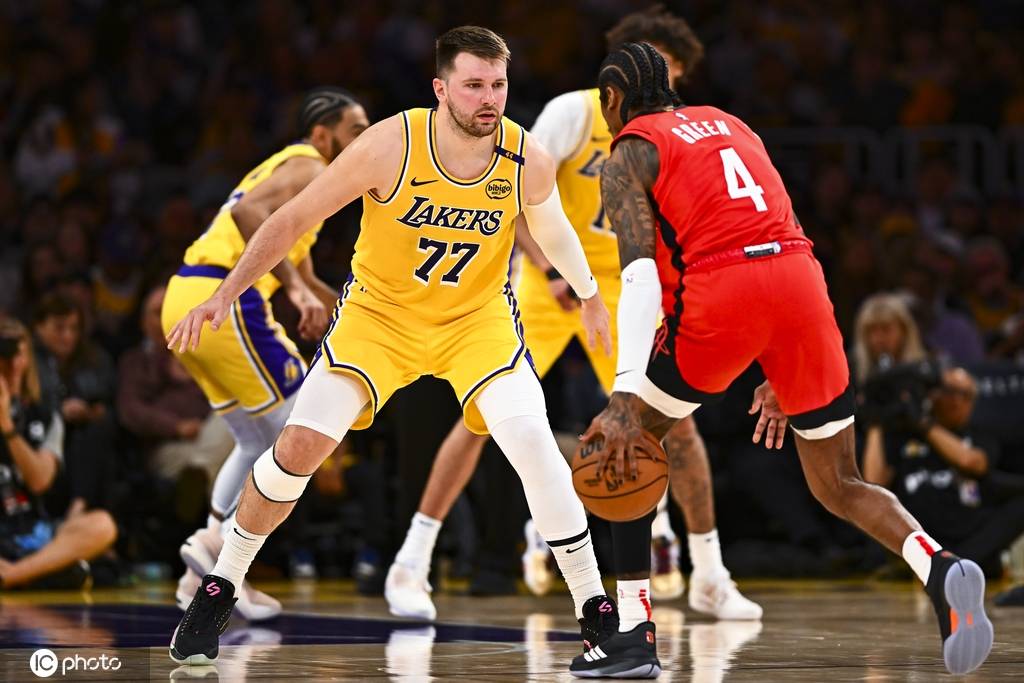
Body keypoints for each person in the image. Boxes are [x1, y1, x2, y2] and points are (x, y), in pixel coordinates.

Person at [167, 27, 632, 676]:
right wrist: (227, 293)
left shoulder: (525, 155)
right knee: (298, 448)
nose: (488, 99)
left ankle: (596, 614)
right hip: (379, 319)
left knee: (532, 443)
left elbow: (552, 228)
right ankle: (220, 587)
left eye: (498, 85)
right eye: (473, 85)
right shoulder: (390, 143)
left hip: (476, 322)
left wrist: (588, 294)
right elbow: (292, 218)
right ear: (441, 89)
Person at [575, 42, 993, 676]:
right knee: (840, 482)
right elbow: (777, 224)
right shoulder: (734, 126)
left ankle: (632, 636)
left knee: (631, 447)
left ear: (612, 100)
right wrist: (778, 357)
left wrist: (625, 397)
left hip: (720, 288)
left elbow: (638, 279)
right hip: (799, 282)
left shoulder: (629, 152)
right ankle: (939, 566)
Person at [385, 6, 760, 628]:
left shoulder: (670, 129)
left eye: (674, 70)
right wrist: (552, 269)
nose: (666, 80)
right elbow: (511, 190)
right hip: (547, 282)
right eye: (659, 65)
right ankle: (411, 560)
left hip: (623, 283)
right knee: (479, 418)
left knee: (677, 423)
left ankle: (709, 575)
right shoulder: (574, 113)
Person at [160, 86, 370, 620]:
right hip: (224, 298)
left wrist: (341, 304)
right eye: (355, 130)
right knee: (302, 424)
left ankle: (201, 575)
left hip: (187, 295)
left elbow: (301, 268)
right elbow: (248, 212)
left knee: (255, 439)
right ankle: (218, 552)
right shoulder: (308, 164)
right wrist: (295, 291)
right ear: (322, 135)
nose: (365, 139)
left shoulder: (303, 179)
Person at [863, 367, 1024, 578]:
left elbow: (971, 462)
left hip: (970, 534)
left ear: (973, 403)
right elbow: (873, 483)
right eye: (949, 391)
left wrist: (925, 424)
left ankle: (955, 565)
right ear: (933, 394)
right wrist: (875, 424)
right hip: (923, 535)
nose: (956, 400)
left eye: (965, 395)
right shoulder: (904, 435)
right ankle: (947, 566)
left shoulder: (980, 436)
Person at [0, 318, 116, 589]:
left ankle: (14, 575)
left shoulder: (46, 414)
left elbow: (40, 480)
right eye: (3, 353)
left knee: (102, 525)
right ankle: (49, 574)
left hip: (30, 530)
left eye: (17, 353)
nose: (11, 363)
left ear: (28, 359)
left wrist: (6, 426)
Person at [118, 285, 234, 517]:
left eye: (171, 310)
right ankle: (219, 515)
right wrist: (176, 427)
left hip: (210, 437)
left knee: (243, 411)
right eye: (157, 312)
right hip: (167, 448)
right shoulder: (136, 361)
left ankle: (203, 480)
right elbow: (131, 410)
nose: (165, 317)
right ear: (143, 322)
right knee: (222, 467)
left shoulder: (199, 356)